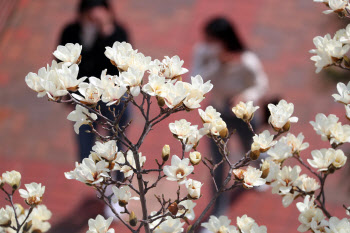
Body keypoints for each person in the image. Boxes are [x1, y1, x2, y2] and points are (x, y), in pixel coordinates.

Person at [57, 0, 129, 222]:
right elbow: (60, 61)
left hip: (111, 99)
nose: (93, 21)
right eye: (89, 16)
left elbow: (122, 65)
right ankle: (102, 183)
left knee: (116, 146)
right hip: (83, 101)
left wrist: (106, 33)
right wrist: (62, 88)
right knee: (85, 149)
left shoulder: (117, 32)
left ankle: (116, 192)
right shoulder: (70, 31)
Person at [192, 17, 269, 216]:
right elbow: (197, 79)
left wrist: (244, 96)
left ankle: (258, 175)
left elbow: (260, 84)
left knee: (252, 148)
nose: (209, 44)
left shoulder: (246, 60)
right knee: (218, 163)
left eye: (212, 40)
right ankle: (218, 211)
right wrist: (218, 63)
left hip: (243, 113)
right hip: (217, 113)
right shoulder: (204, 53)